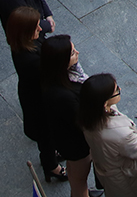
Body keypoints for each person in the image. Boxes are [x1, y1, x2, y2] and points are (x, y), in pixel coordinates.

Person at [6, 6, 64, 183]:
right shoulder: (30, 60)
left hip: (35, 96)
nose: (40, 29)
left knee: (48, 135)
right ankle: (52, 167)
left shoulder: (24, 43)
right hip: (38, 103)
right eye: (36, 27)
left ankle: (52, 155)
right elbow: (49, 76)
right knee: (45, 136)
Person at [79, 74, 137, 197]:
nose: (120, 90)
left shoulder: (88, 115)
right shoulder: (121, 134)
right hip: (126, 180)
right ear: (104, 103)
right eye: (116, 91)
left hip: (108, 173)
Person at [41, 34, 92, 197]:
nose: (77, 53)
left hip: (68, 142)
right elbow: (83, 121)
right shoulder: (63, 95)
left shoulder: (58, 78)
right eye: (72, 53)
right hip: (76, 146)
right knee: (79, 183)